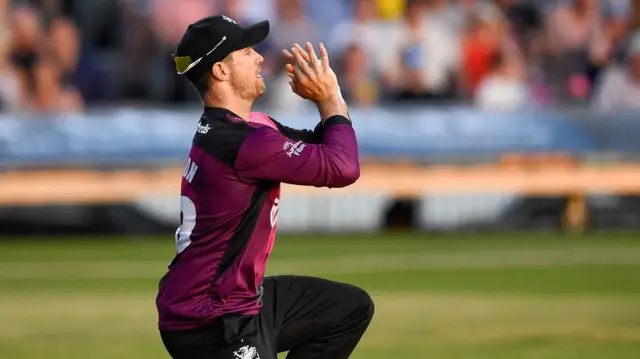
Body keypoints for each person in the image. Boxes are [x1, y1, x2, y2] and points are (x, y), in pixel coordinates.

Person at [156, 14, 374, 359]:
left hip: (233, 300)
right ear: (221, 72)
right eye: (246, 52)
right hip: (210, 320)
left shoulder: (247, 128)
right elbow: (343, 167)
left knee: (348, 309)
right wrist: (330, 96)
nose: (260, 57)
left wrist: (329, 103)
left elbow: (324, 146)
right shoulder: (242, 141)